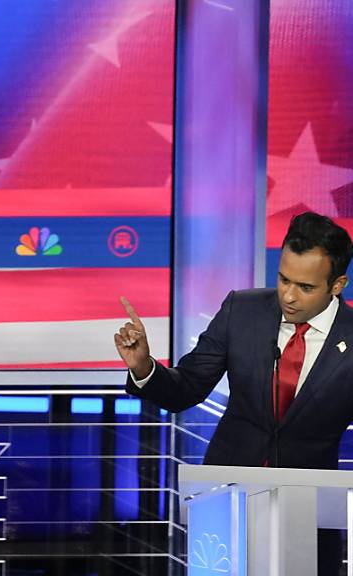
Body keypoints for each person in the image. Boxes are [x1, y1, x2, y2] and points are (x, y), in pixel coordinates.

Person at [115, 211, 353, 574]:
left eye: (305, 287)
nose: (288, 296)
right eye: (283, 279)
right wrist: (144, 366)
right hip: (225, 505)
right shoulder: (242, 311)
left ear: (337, 285)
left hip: (310, 517)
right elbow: (187, 388)